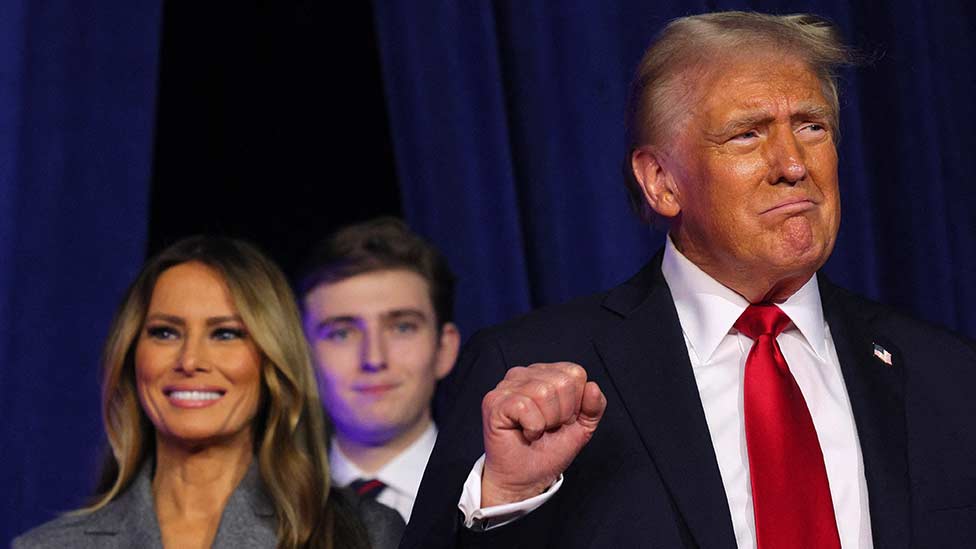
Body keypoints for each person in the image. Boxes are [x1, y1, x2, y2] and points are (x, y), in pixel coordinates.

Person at [400, 11, 976, 549]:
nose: (793, 164)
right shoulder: (530, 369)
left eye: (812, 126)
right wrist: (509, 498)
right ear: (660, 181)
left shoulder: (946, 374)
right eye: (748, 134)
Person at [14, 236, 404, 549]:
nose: (190, 360)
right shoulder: (47, 546)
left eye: (226, 333)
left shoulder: (363, 534)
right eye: (165, 332)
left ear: (271, 359)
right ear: (132, 356)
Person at [297, 217, 461, 523]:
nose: (373, 358)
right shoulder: (264, 512)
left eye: (401, 327)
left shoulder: (493, 499)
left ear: (444, 349)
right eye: (342, 333)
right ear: (304, 355)